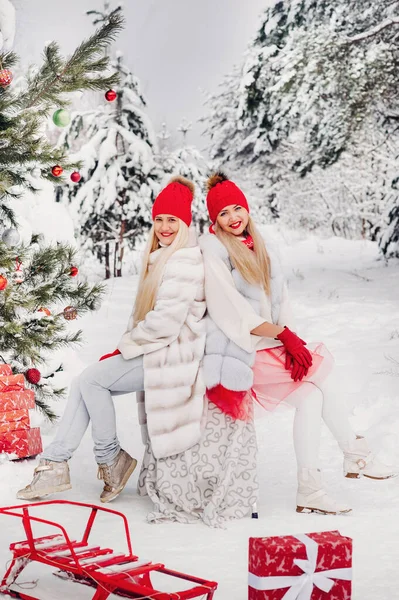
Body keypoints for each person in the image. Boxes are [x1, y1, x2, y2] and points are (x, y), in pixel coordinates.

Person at [198, 171, 396, 516]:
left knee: (311, 396)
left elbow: (281, 300)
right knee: (321, 372)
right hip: (237, 352)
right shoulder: (215, 253)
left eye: (237, 209)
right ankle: (355, 452)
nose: (232, 218)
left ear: (247, 209)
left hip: (268, 344)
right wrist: (282, 336)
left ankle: (310, 490)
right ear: (214, 221)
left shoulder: (262, 248)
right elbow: (230, 311)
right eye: (223, 214)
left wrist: (290, 338)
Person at [17, 176, 207, 503]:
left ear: (185, 223)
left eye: (172, 220)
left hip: (173, 357)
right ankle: (58, 462)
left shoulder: (184, 262)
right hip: (157, 350)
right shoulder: (163, 257)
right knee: (84, 382)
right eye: (159, 219)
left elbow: (165, 323)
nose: (164, 226)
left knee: (91, 381)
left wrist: (125, 348)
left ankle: (108, 460)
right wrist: (125, 348)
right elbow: (148, 320)